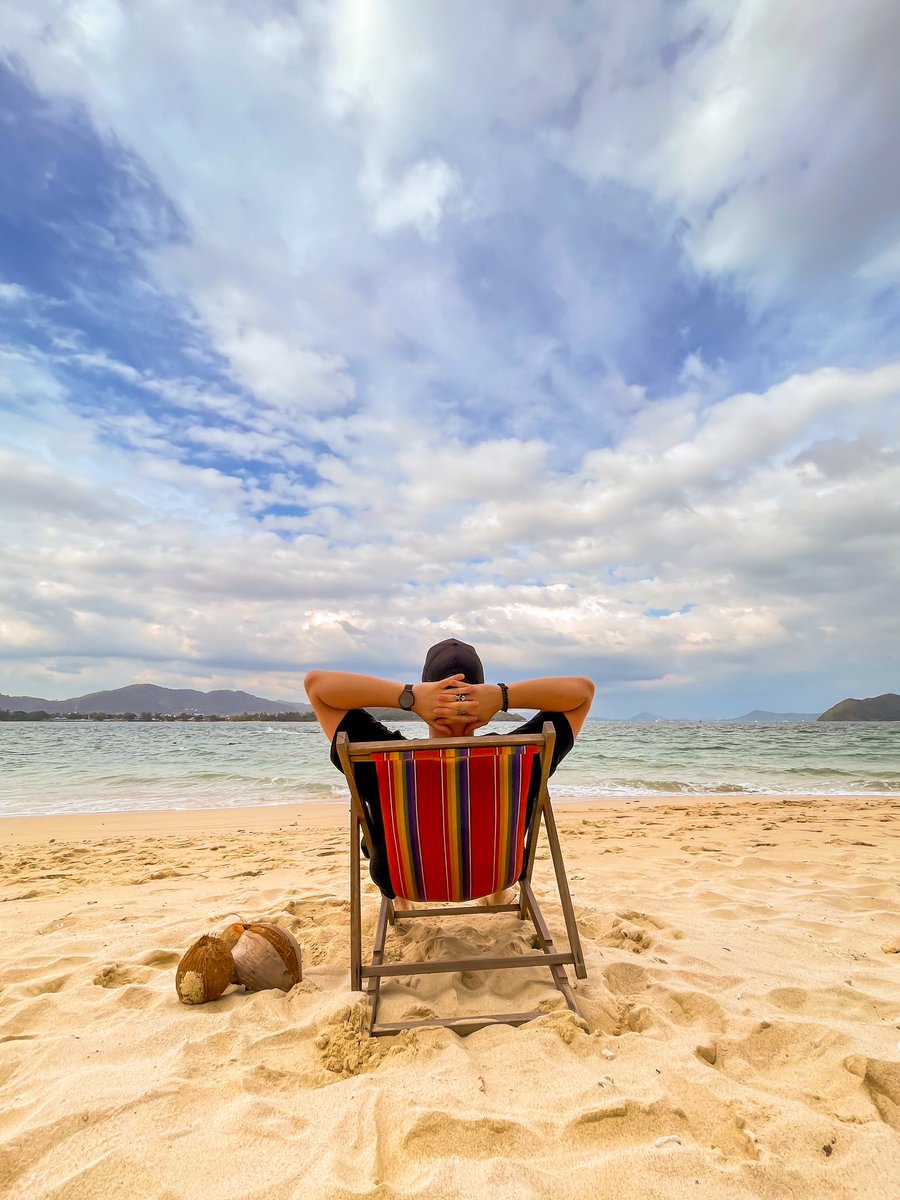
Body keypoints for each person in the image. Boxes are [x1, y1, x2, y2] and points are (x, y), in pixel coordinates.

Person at [304, 638, 594, 908]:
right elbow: (583, 692)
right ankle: (496, 896)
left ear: (425, 688)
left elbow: (317, 685)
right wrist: (503, 696)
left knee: (378, 822)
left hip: (400, 879)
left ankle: (401, 904)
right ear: (483, 694)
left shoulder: (383, 756)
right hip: (498, 872)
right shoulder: (519, 755)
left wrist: (409, 697)